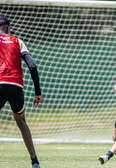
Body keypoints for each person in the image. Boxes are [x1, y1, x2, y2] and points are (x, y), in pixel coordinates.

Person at [0, 15, 43, 168]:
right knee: (21, 121)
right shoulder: (17, 41)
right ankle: (34, 161)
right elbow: (32, 66)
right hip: (15, 86)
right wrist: (38, 92)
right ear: (8, 27)